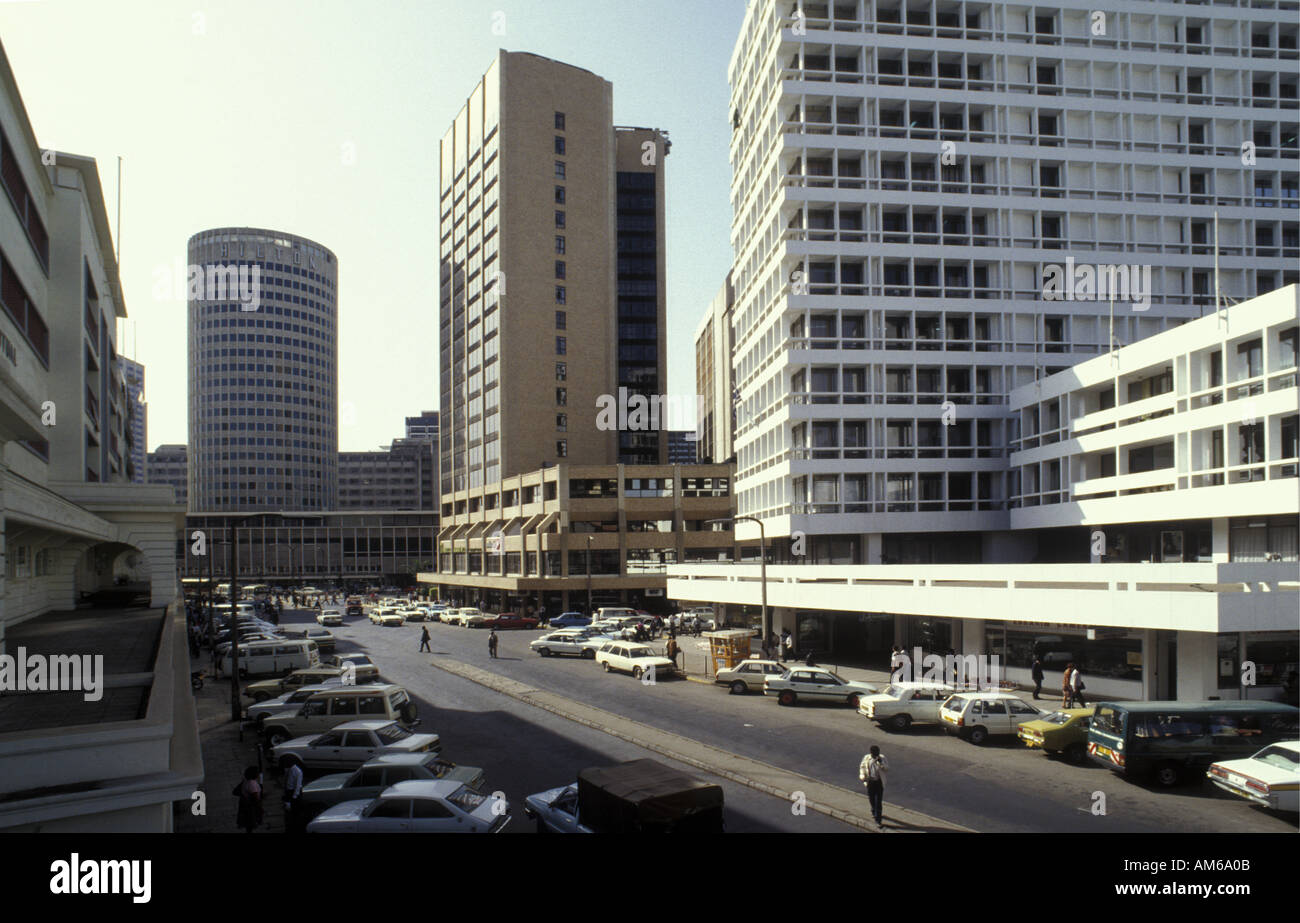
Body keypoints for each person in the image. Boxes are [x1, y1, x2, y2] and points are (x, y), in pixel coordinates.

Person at [859, 745, 889, 828]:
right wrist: (862, 776)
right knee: (871, 798)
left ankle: (878, 820)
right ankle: (873, 810)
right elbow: (862, 767)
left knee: (878, 801)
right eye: (875, 753)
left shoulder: (882, 758)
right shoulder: (866, 758)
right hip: (870, 781)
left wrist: (881, 763)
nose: (877, 755)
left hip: (879, 782)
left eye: (878, 753)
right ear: (871, 753)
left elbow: (887, 768)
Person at [233, 765, 263, 833]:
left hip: (245, 805)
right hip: (250, 807)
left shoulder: (245, 781)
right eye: (257, 773)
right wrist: (260, 808)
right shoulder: (252, 784)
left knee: (248, 824)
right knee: (250, 823)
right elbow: (255, 798)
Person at [281, 756, 304, 833]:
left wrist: (294, 796)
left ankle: (295, 826)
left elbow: (298, 785)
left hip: (294, 792)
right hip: (289, 791)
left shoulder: (298, 771)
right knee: (289, 809)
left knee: (295, 810)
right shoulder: (289, 770)